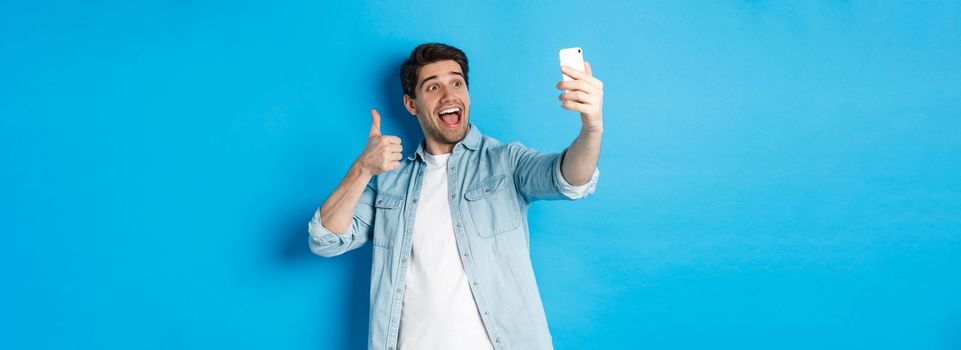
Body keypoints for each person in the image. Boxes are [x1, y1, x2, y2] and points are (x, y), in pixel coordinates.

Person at [308, 42, 603, 350]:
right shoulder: (389, 183)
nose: (449, 95)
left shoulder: (505, 161)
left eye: (457, 83)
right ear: (412, 104)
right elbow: (324, 238)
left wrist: (592, 128)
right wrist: (362, 169)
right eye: (433, 87)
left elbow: (569, 178)